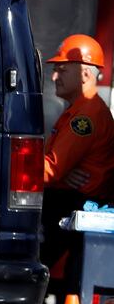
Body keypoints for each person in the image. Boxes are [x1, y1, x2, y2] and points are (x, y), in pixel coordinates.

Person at [41, 34, 114, 281]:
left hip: (72, 206)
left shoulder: (85, 117)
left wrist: (4, 166)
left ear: (85, 73)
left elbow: (50, 170)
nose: (54, 77)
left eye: (62, 70)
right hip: (72, 204)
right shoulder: (81, 110)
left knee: (32, 263)